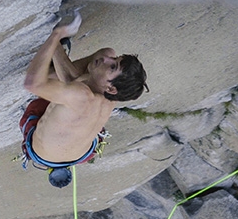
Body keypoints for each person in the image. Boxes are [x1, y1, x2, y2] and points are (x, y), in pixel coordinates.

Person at [20, 11, 148, 187]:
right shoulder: (113, 95)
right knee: (104, 53)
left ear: (111, 88)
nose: (106, 59)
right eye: (114, 60)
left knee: (38, 104)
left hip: (43, 153)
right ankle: (51, 69)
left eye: (112, 66)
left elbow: (31, 83)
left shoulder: (80, 95)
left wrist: (55, 35)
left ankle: (49, 68)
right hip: (82, 153)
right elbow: (76, 85)